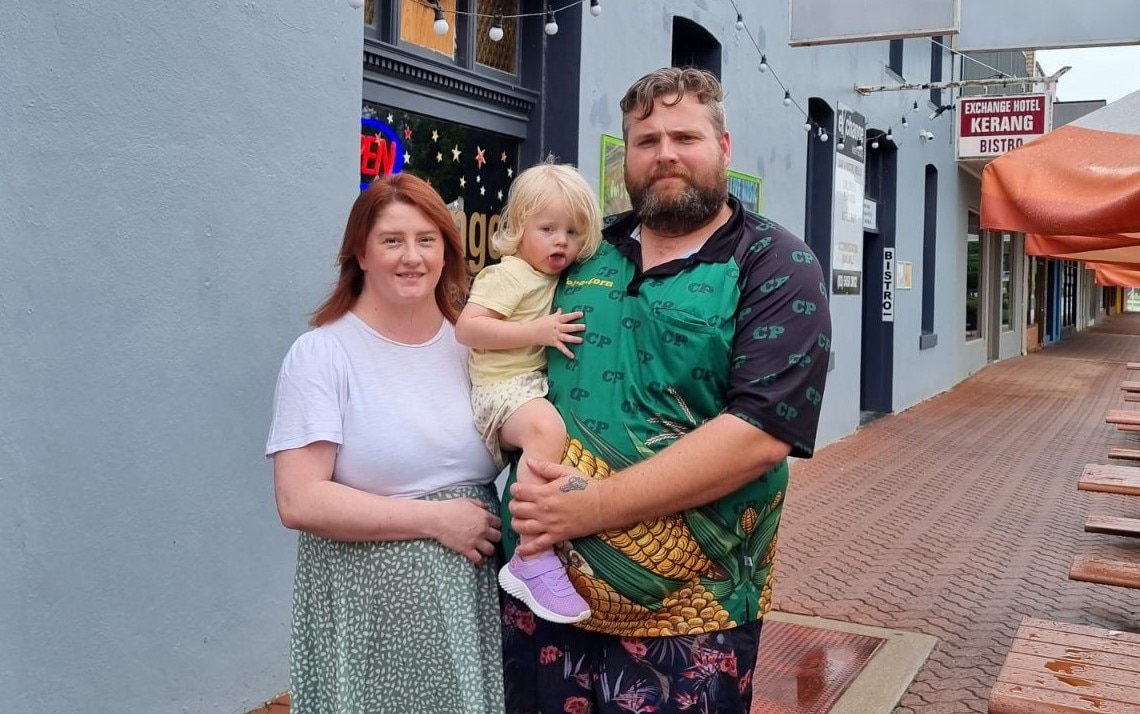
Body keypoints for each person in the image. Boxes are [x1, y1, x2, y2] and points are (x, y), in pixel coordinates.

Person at [500, 67, 833, 712]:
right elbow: (500, 361)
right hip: (539, 599)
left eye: (685, 136)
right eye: (646, 140)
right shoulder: (582, 253)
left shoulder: (774, 263)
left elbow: (761, 435)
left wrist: (592, 508)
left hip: (689, 623)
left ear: (724, 147)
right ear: (627, 155)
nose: (666, 154)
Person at [266, 173, 505, 714]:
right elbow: (298, 500)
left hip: (473, 604)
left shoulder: (474, 347)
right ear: (361, 253)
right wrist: (436, 521)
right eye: (392, 240)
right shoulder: (323, 354)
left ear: (448, 251)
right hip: (368, 609)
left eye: (427, 240)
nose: (412, 257)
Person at [455, 162, 603, 624]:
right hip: (500, 388)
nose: (562, 241)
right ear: (518, 229)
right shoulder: (509, 274)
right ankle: (531, 553)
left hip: (525, 385)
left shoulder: (552, 277)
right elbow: (468, 328)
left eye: (573, 232)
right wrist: (536, 330)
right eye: (548, 229)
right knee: (546, 427)